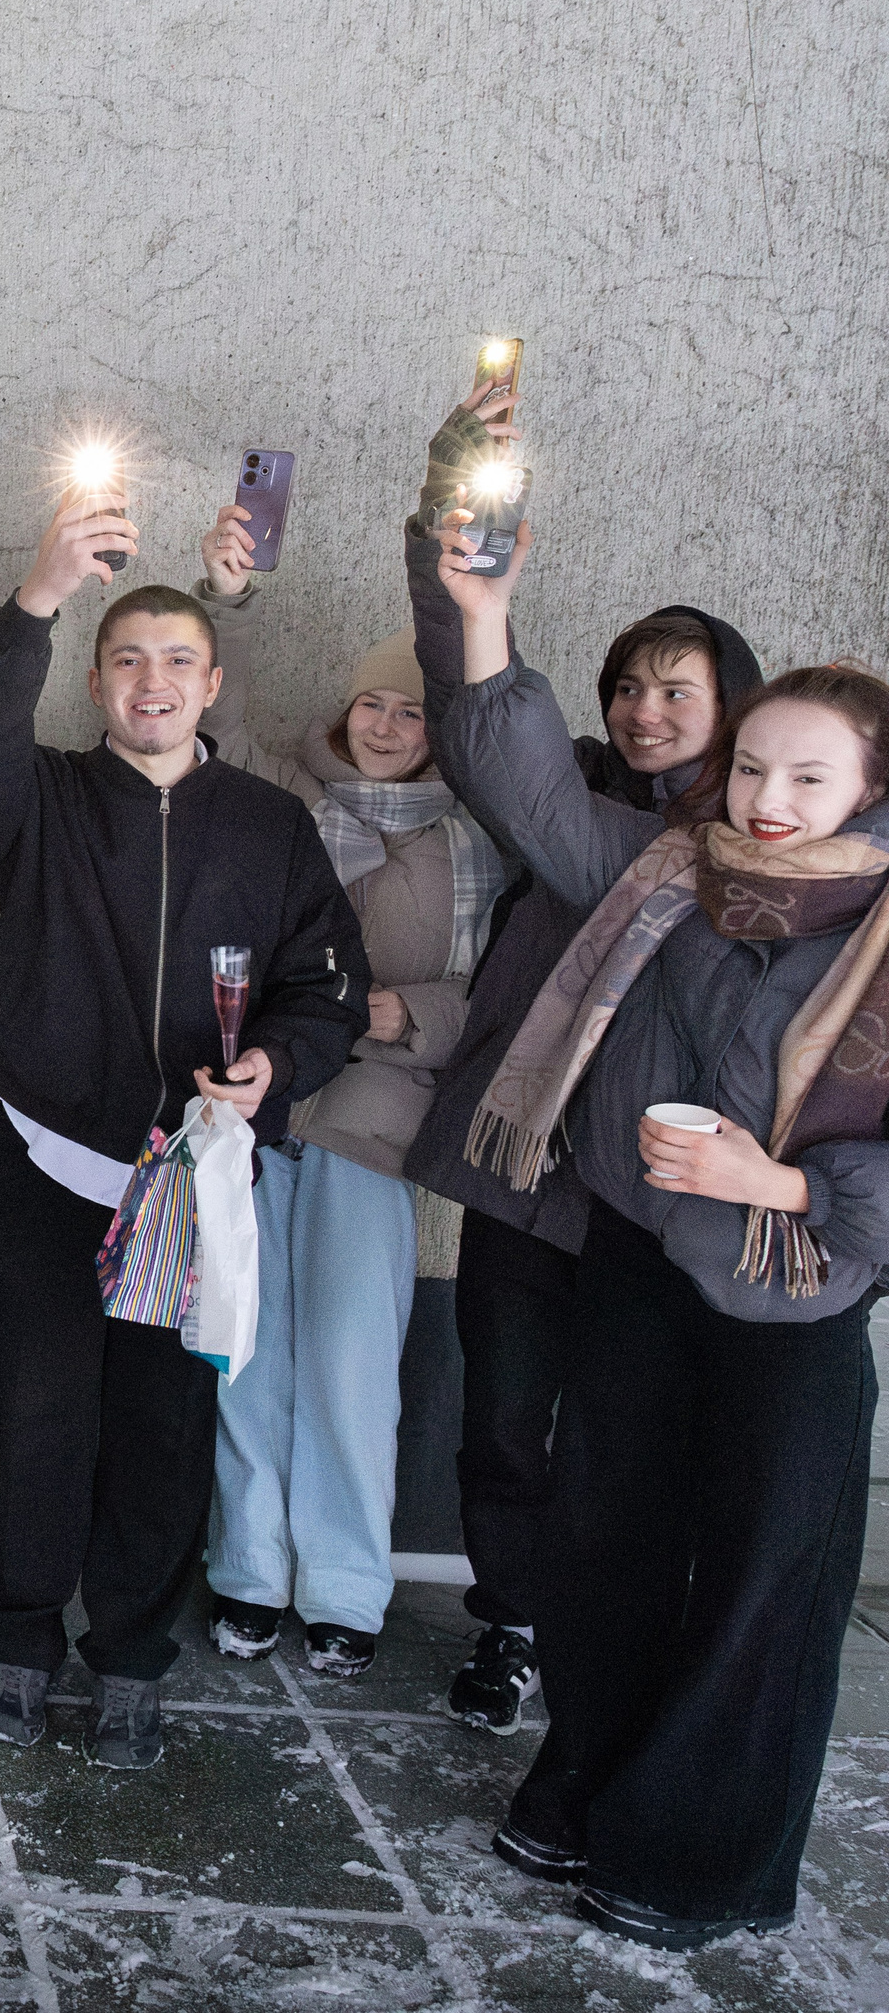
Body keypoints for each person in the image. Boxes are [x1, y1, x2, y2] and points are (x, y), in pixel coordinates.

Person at [429, 505, 885, 1951]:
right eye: (754, 764)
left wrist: (794, 1187)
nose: (766, 795)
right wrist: (482, 612)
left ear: (871, 786)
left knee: (759, 1583)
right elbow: (530, 793)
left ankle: (694, 1855)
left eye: (808, 775)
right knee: (607, 1545)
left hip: (794, 1299)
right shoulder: (669, 871)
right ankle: (585, 1789)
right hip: (633, 1256)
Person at [0, 482, 368, 1770]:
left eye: (177, 660)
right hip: (53, 1159)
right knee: (40, 1405)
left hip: (192, 1174)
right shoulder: (39, 800)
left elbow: (322, 985)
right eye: (126, 659)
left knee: (161, 1423)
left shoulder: (272, 828)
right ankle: (16, 1637)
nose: (152, 682)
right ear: (95, 680)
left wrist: (272, 1065)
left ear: (212, 683)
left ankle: (128, 1655)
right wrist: (41, 591)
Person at [398, 387, 762, 1731]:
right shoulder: (586, 810)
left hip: (668, 1198)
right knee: (504, 1417)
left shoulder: (769, 861)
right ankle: (512, 1623)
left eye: (678, 689)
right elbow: (481, 703)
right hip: (531, 1169)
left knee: (633, 1438)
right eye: (628, 686)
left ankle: (617, 1637)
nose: (646, 708)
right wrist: (458, 508)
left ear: (737, 707)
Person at [191, 505, 508, 1679]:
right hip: (268, 1111)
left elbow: (503, 997)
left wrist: (401, 1013)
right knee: (245, 1347)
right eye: (371, 703)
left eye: (411, 709)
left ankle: (343, 1585)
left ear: (437, 727)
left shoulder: (477, 836)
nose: (383, 724)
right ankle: (245, 1573)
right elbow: (206, 708)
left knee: (348, 1358)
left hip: (379, 1123)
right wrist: (222, 594)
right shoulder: (291, 795)